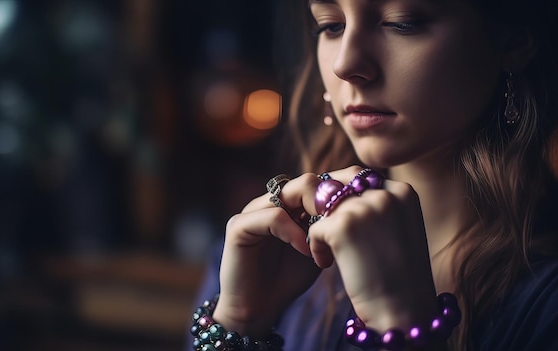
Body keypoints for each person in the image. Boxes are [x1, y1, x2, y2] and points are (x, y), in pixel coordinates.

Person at [188, 0, 558, 350]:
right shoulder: (263, 253)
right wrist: (239, 323)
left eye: (402, 22)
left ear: (513, 40)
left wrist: (403, 328)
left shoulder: (545, 302)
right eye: (330, 26)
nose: (345, 63)